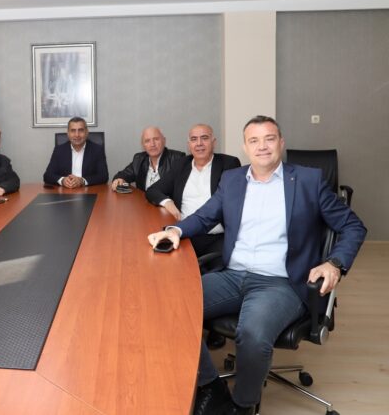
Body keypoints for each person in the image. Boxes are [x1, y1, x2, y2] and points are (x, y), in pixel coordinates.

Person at [148, 116, 366, 415]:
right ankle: (210, 387)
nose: (262, 146)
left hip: (280, 283)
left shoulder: (308, 180)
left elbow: (353, 226)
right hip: (232, 276)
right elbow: (205, 216)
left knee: (251, 334)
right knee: (166, 305)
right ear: (245, 147)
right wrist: (175, 231)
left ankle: (243, 405)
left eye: (269, 138)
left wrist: (334, 263)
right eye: (254, 140)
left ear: (281, 143)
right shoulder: (232, 179)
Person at [145, 124, 240, 257]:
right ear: (189, 145)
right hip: (184, 234)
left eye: (204, 138)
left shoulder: (229, 164)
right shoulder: (181, 164)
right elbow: (152, 190)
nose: (199, 143)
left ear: (214, 142)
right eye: (194, 139)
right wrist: (167, 202)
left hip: (217, 237)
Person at [111, 126, 184, 191]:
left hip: (166, 202)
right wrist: (119, 179)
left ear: (164, 141)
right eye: (147, 141)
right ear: (143, 145)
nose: (152, 144)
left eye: (156, 139)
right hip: (143, 202)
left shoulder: (178, 159)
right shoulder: (139, 159)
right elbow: (123, 174)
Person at [43, 117, 108, 188]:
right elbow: (47, 175)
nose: (77, 135)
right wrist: (62, 180)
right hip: (65, 191)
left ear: (87, 132)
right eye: (73, 131)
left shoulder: (97, 150)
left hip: (88, 191)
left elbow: (103, 176)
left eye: (81, 130)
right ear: (68, 133)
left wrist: (82, 181)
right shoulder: (59, 150)